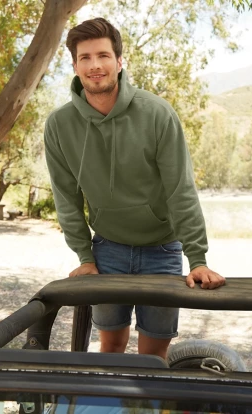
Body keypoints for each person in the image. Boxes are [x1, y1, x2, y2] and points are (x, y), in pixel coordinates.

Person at [43, 17, 225, 359]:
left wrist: (197, 259)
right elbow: (66, 198)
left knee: (153, 356)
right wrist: (85, 257)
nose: (95, 65)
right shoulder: (59, 125)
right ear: (75, 66)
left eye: (103, 55)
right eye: (85, 58)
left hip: (162, 249)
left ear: (119, 61)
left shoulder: (157, 114)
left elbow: (181, 190)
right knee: (110, 347)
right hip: (107, 249)